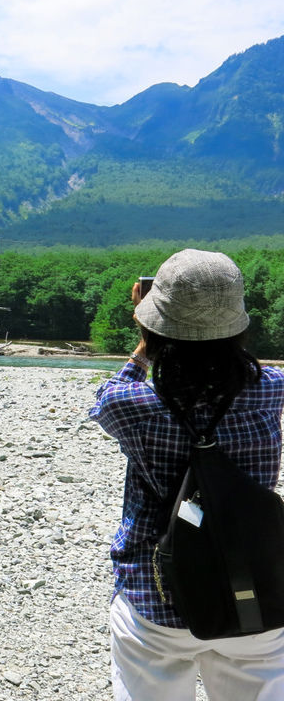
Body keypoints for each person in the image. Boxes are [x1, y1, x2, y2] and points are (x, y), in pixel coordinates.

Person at [89, 249, 284, 700]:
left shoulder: (132, 405)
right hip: (255, 591)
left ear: (153, 322)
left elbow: (108, 395)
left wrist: (144, 343)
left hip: (156, 596)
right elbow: (241, 363)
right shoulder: (271, 390)